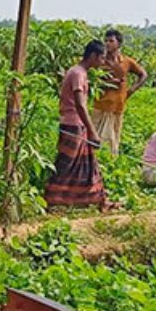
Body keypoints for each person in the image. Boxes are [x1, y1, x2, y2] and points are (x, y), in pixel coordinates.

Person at [44, 40, 116, 210]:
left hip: (77, 124)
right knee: (66, 164)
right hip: (72, 124)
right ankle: (52, 199)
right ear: (93, 56)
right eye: (102, 58)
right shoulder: (78, 74)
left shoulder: (80, 72)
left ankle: (97, 199)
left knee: (88, 164)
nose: (103, 62)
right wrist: (93, 132)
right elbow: (80, 104)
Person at [90, 29, 148, 155]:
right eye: (105, 40)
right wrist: (107, 83)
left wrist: (131, 90)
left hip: (118, 107)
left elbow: (143, 74)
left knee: (113, 140)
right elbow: (91, 80)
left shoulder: (126, 62)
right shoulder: (100, 61)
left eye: (111, 41)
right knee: (95, 140)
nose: (107, 44)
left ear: (119, 44)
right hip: (100, 105)